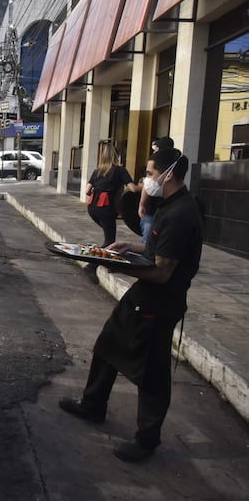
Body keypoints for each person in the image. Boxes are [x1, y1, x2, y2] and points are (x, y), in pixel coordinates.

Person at [59, 148, 203, 463]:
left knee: (152, 372)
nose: (145, 180)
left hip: (159, 303)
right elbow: (155, 249)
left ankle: (147, 440)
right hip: (142, 297)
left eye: (150, 173)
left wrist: (116, 265)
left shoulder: (181, 214)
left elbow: (163, 272)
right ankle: (93, 405)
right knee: (108, 344)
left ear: (168, 175)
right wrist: (128, 247)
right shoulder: (168, 206)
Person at [86, 141, 140, 248]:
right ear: (117, 156)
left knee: (108, 235)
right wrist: (146, 186)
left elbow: (87, 191)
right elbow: (133, 189)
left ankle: (97, 257)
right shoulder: (120, 170)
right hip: (105, 208)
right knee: (110, 241)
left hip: (92, 207)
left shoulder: (97, 171)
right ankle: (92, 262)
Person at [138, 137, 174, 244]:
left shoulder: (161, 163)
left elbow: (147, 185)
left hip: (155, 208)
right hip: (153, 208)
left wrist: (142, 204)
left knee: (149, 238)